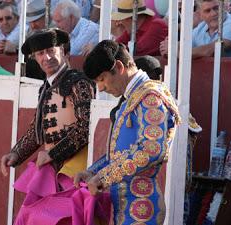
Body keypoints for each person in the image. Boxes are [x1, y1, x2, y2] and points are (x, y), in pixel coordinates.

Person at [75, 40, 180, 225]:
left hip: (141, 207)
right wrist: (92, 172)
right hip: (126, 205)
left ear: (119, 66)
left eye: (102, 78)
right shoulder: (132, 98)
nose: (100, 87)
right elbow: (120, 155)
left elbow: (152, 149)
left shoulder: (150, 97)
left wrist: (105, 176)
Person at [0, 29, 95, 222]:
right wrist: (16, 153)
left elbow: (85, 128)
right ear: (35, 58)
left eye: (51, 50)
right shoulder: (46, 87)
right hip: (52, 166)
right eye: (41, 53)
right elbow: (38, 130)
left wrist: (53, 154)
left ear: (62, 50)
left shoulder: (79, 83)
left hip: (76, 165)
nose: (47, 57)